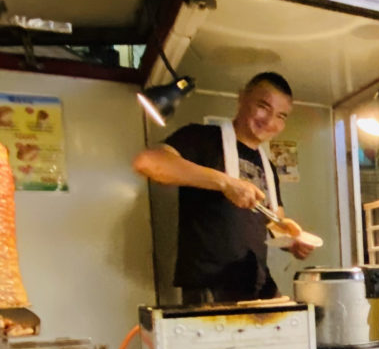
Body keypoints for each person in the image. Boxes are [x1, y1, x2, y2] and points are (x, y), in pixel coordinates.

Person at [133, 71, 311, 304]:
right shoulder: (201, 138)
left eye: (281, 116)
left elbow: (274, 221)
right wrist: (226, 183)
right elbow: (148, 162)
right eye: (263, 106)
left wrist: (292, 242)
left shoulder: (268, 165)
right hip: (210, 288)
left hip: (257, 286)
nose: (269, 121)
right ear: (241, 98)